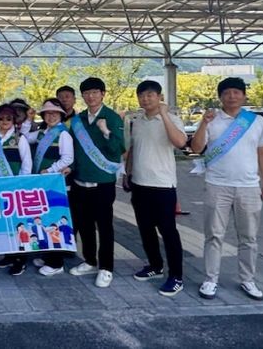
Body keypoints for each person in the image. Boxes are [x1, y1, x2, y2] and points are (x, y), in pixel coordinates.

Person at [190, 77, 263, 301]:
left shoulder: (256, 121)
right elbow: (196, 147)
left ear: (244, 95)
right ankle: (210, 279)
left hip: (249, 187)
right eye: (227, 93)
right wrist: (203, 123)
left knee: (248, 237)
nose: (232, 96)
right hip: (217, 185)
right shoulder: (212, 119)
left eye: (236, 92)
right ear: (220, 97)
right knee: (214, 235)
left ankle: (248, 279)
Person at [124, 80, 187, 297]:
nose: (145, 99)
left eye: (150, 94)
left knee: (168, 232)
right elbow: (133, 149)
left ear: (159, 97)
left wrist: (165, 115)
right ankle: (155, 265)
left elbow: (180, 143)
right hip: (139, 183)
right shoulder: (137, 121)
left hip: (162, 185)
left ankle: (176, 276)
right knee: (145, 229)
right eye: (141, 95)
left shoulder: (172, 119)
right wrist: (127, 172)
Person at [68, 77, 125, 288]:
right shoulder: (78, 120)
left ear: (103, 94)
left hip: (103, 183)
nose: (90, 96)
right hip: (80, 182)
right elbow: (72, 149)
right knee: (84, 225)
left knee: (104, 226)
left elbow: (118, 149)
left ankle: (106, 267)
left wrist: (106, 132)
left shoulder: (112, 117)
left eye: (94, 92)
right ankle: (90, 261)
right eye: (86, 93)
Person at [25, 98, 74, 276]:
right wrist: (28, 120)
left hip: (55, 184)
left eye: (55, 113)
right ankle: (48, 256)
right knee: (43, 220)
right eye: (47, 113)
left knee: (54, 221)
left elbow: (68, 158)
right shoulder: (42, 132)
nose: (51, 116)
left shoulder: (63, 134)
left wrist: (50, 170)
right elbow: (23, 137)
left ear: (60, 115)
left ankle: (56, 262)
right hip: (43, 184)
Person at [0, 104, 32, 276]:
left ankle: (21, 259)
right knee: (4, 224)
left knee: (18, 225)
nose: (4, 121)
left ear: (14, 120)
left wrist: (20, 184)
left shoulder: (20, 138)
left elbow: (27, 163)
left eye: (8, 118)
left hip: (15, 188)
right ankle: (9, 255)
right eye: (1, 118)